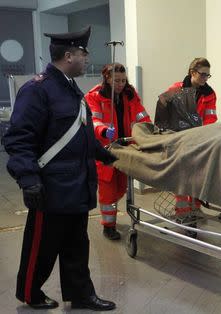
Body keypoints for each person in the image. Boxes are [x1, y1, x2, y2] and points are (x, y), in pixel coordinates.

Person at [1, 27, 116, 311]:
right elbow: (19, 139)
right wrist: (29, 179)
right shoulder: (37, 90)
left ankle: (81, 294)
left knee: (77, 244)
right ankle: (30, 293)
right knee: (41, 246)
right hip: (50, 187)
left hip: (77, 183)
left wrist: (110, 155)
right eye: (83, 53)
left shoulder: (69, 88)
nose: (87, 59)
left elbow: (82, 135)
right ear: (68, 55)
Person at [85, 63, 151, 240]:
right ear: (107, 79)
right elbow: (94, 121)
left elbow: (140, 114)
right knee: (108, 190)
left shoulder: (129, 94)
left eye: (123, 80)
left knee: (121, 187)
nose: (121, 84)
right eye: (117, 81)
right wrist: (104, 131)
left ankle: (112, 213)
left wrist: (148, 129)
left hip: (124, 148)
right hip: (105, 149)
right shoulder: (94, 97)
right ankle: (109, 226)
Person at [164, 58, 218, 224]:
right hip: (178, 140)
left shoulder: (209, 94)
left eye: (208, 75)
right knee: (181, 177)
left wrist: (203, 135)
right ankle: (182, 211)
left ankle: (195, 208)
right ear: (192, 72)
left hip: (198, 140)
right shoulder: (175, 89)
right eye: (202, 74)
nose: (205, 78)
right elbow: (163, 114)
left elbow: (210, 118)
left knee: (196, 176)